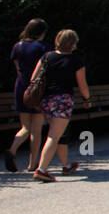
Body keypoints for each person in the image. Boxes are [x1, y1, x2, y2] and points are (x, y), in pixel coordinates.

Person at [31, 29, 92, 183]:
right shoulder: (75, 60)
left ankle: (66, 165)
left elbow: (33, 78)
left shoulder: (46, 57)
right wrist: (87, 99)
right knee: (54, 136)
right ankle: (42, 170)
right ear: (72, 43)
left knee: (59, 134)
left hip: (46, 100)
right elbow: (82, 85)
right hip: (63, 101)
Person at [5, 18, 49, 172]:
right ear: (41, 32)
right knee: (36, 130)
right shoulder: (43, 47)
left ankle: (12, 149)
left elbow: (18, 69)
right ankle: (32, 164)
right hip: (37, 90)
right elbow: (45, 69)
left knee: (25, 127)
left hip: (21, 88)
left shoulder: (18, 47)